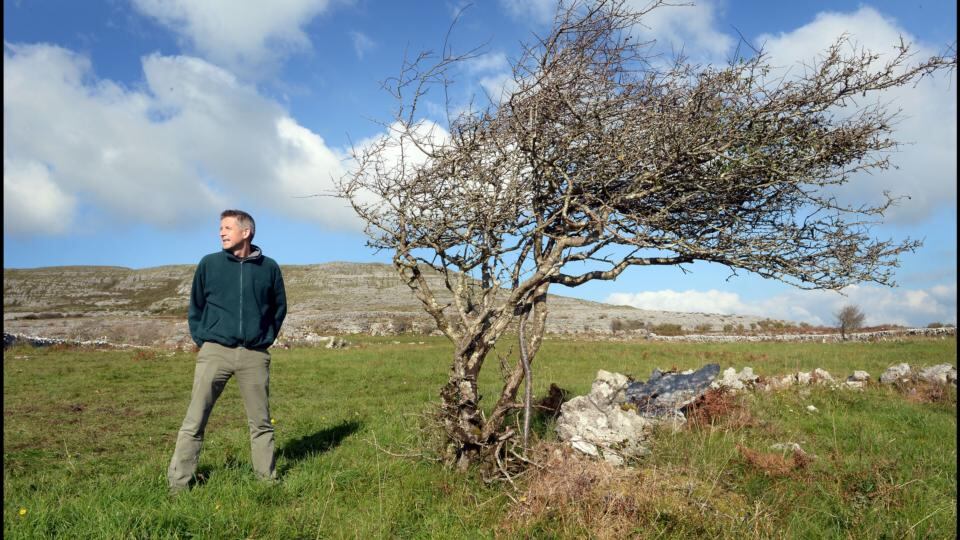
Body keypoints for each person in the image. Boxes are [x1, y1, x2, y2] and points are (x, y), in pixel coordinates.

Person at [167, 209, 287, 493]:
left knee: (261, 423)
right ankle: (178, 486)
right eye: (220, 228)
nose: (221, 232)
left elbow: (278, 309)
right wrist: (204, 339)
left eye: (227, 227)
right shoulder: (209, 264)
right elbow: (195, 306)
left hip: (254, 356)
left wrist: (264, 338)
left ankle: (267, 484)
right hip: (215, 351)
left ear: (246, 232)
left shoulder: (269, 268)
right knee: (195, 420)